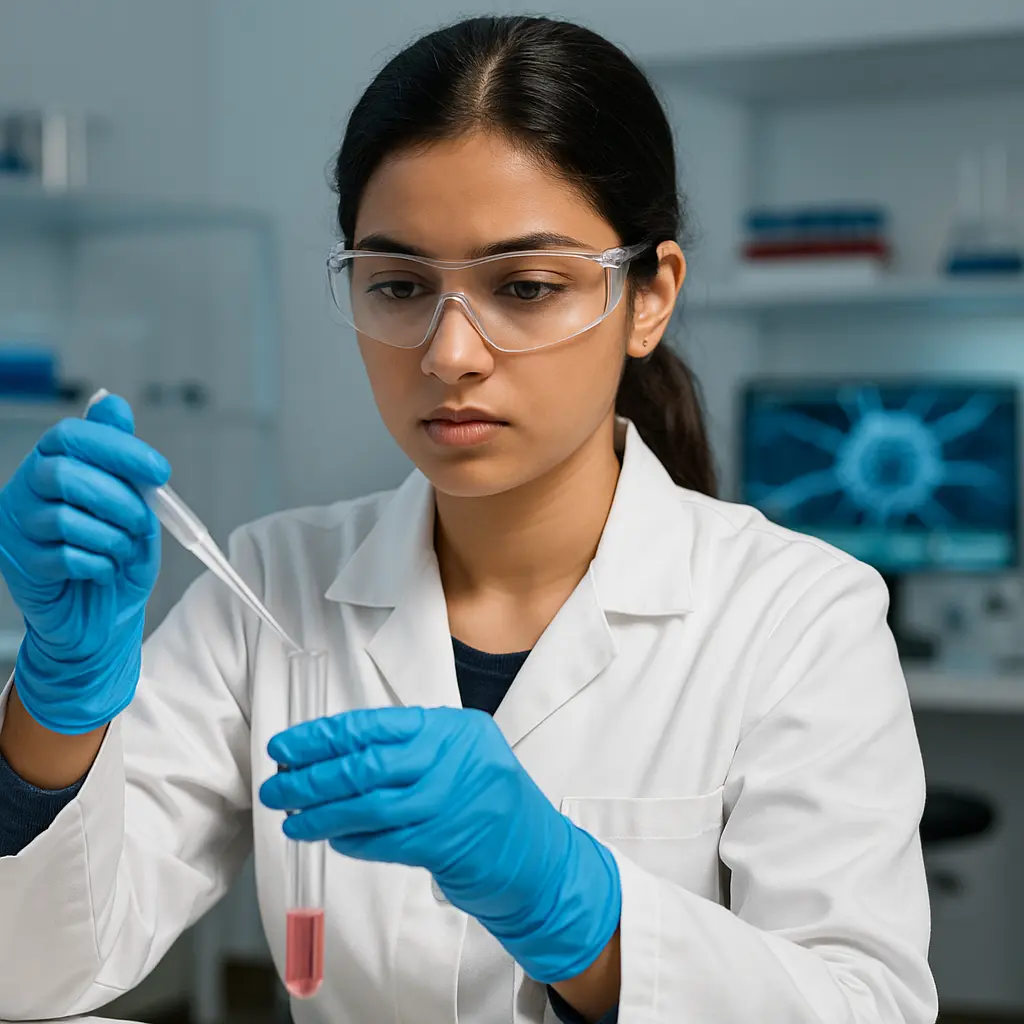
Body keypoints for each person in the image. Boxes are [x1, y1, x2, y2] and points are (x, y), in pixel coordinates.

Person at [0, 14, 938, 1024]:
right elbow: (30, 973)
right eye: (398, 285)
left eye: (524, 285)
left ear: (650, 295)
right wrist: (57, 708)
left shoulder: (796, 616)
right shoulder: (270, 583)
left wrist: (575, 904)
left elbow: (864, 1006)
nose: (449, 352)